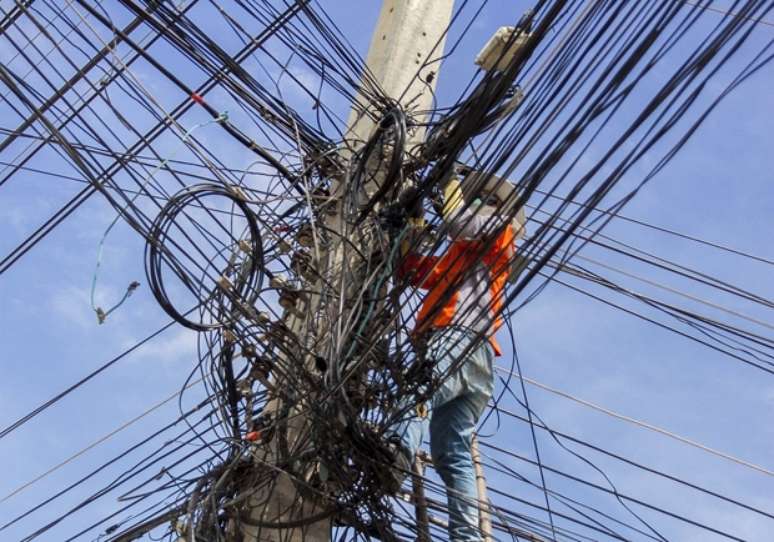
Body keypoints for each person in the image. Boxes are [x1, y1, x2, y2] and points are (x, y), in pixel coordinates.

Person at [387, 173, 523, 541]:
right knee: (452, 454)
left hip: (459, 340)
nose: (478, 203)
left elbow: (459, 223)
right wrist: (411, 224)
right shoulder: (460, 258)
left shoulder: (501, 229)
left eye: (484, 200)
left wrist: (448, 184)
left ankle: (396, 455)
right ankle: (467, 537)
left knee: (419, 391)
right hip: (476, 363)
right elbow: (410, 268)